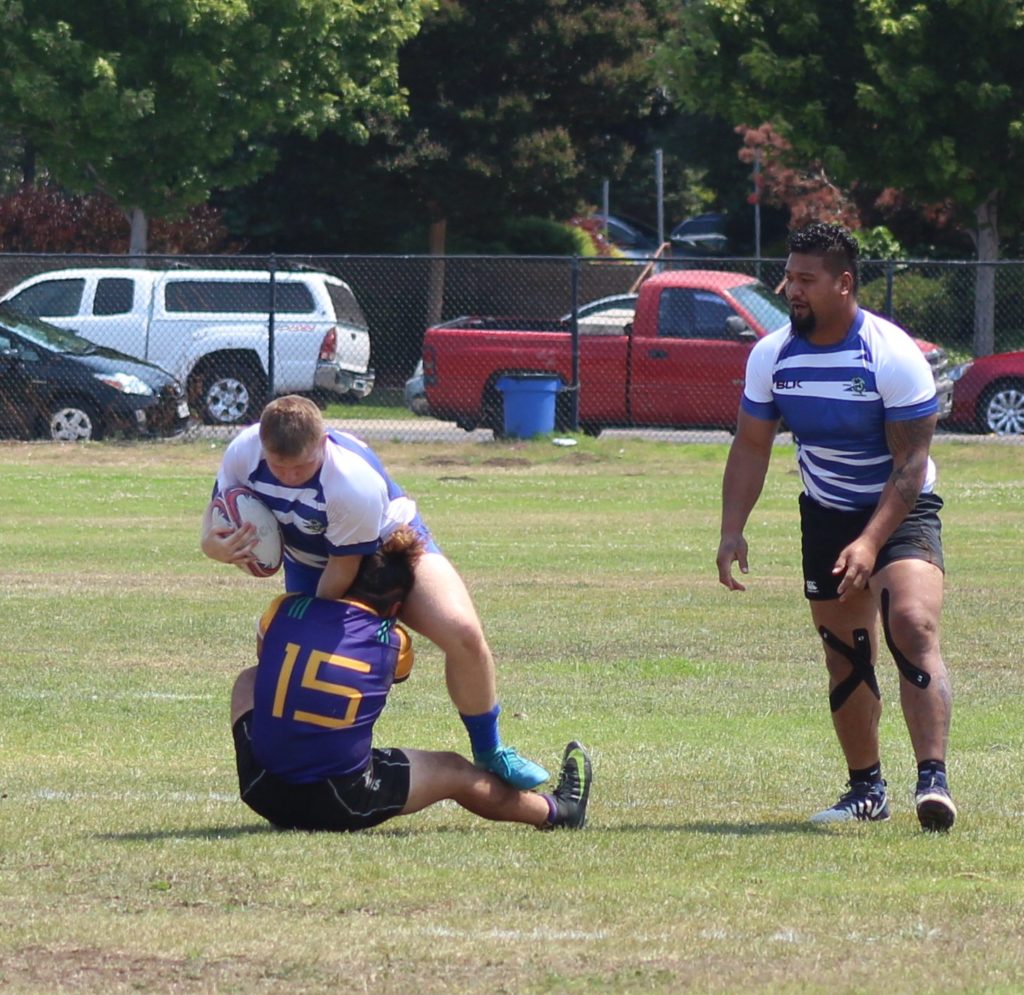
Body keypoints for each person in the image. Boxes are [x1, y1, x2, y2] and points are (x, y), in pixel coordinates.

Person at [716, 222, 956, 832]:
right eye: (789, 276)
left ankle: (933, 781)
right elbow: (750, 446)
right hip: (827, 514)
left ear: (843, 283)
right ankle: (865, 791)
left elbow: (909, 467)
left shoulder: (892, 356)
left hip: (900, 511)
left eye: (805, 279)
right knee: (845, 654)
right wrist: (731, 529)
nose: (791, 289)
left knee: (911, 623)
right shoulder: (772, 356)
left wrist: (871, 542)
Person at [202, 394, 549, 791]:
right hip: (313, 560)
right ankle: (301, 766)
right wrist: (213, 548)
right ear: (262, 446)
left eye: (301, 468)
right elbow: (218, 517)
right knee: (295, 665)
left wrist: (317, 625)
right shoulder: (243, 453)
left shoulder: (351, 480)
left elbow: (344, 567)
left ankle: (491, 751)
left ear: (323, 442)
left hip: (390, 549)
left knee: (463, 633)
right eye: (279, 467)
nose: (289, 477)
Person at [230, 525, 591, 832]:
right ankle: (558, 811)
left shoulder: (284, 608)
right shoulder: (394, 642)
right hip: (340, 799)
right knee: (454, 769)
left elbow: (270, 657)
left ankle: (290, 771)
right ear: (398, 607)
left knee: (250, 679)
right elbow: (394, 675)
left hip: (261, 786)